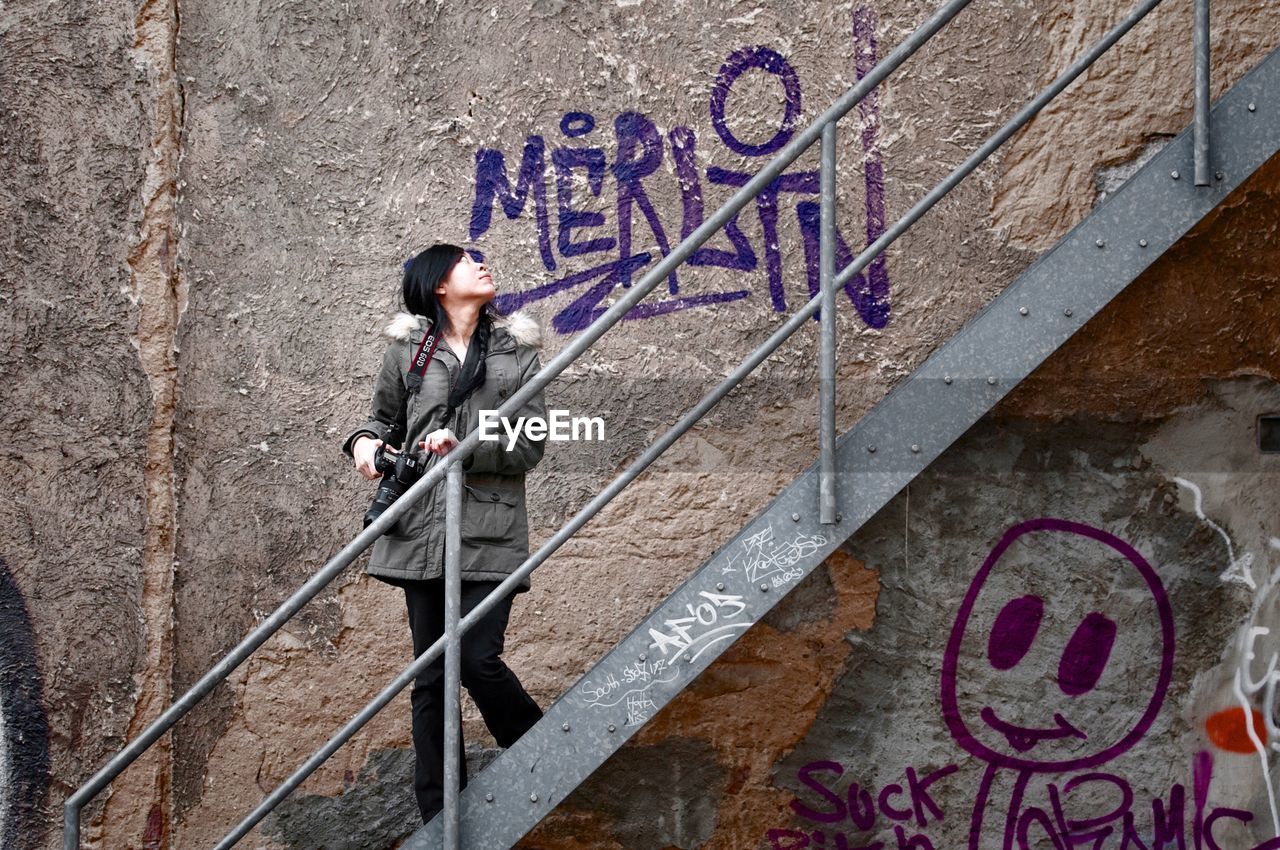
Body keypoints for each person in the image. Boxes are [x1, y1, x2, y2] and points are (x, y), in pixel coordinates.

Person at [342, 243, 545, 823]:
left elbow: (530, 443)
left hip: (490, 529)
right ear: (437, 284)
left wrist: (465, 448)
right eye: (465, 260)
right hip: (421, 527)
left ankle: (541, 747)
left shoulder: (517, 352)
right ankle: (440, 817)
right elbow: (381, 420)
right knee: (430, 677)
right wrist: (362, 443)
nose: (482, 265)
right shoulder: (408, 350)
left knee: (477, 659)